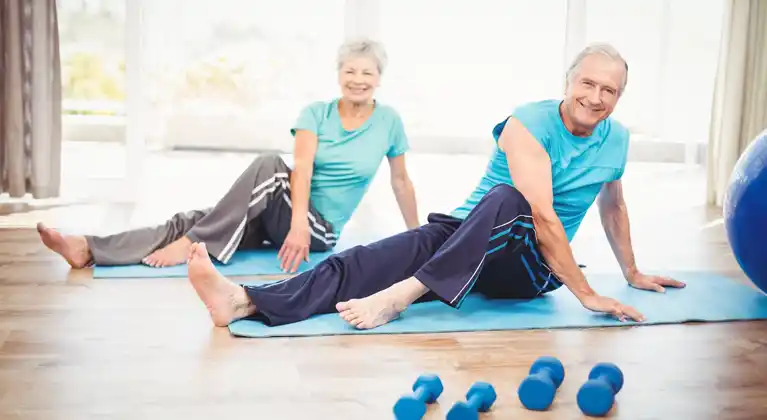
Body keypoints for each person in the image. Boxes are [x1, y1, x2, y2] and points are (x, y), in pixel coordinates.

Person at [184, 43, 687, 329]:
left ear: (619, 96)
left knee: (509, 201)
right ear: (568, 82)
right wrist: (589, 293)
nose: (596, 98)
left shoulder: (617, 140)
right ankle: (246, 302)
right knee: (363, 260)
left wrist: (620, 276)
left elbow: (607, 207)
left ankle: (404, 294)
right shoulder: (527, 124)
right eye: (588, 84)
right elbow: (540, 208)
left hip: (527, 266)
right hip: (467, 239)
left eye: (609, 91)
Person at [37, 38, 420, 273]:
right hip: (289, 214)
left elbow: (400, 181)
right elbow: (300, 171)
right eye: (350, 70)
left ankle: (193, 242)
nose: (358, 79)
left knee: (267, 166)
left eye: (367, 72)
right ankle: (88, 249)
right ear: (339, 74)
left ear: (379, 77)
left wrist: (419, 235)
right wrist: (295, 223)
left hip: (318, 230)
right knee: (192, 220)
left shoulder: (389, 122)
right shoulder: (316, 113)